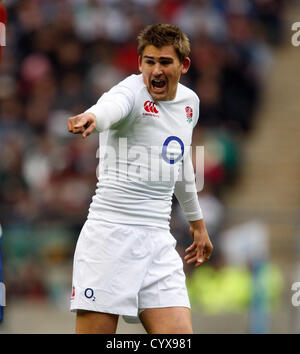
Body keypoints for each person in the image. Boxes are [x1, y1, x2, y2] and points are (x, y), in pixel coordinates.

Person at [67, 23, 213, 334]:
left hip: (158, 241)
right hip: (109, 239)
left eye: (164, 62)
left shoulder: (190, 104)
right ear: (139, 63)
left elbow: (181, 161)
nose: (155, 71)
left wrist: (197, 223)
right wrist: (91, 117)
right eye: (149, 61)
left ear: (183, 65)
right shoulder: (130, 92)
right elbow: (110, 107)